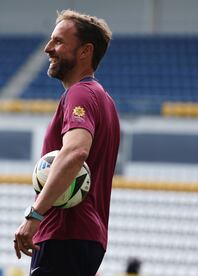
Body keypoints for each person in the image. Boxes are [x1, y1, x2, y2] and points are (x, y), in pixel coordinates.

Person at [13, 9, 120, 276]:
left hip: (64, 234)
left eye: (58, 41)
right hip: (83, 237)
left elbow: (74, 152)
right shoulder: (103, 99)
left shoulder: (80, 94)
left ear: (85, 51)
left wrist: (34, 215)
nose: (48, 48)